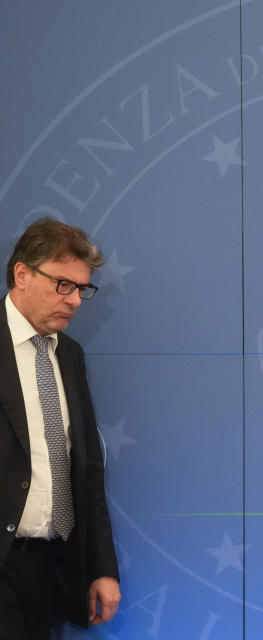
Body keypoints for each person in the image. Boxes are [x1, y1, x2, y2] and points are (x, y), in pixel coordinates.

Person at [1, 218, 121, 638]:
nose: (75, 301)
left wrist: (102, 568)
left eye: (82, 289)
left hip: (51, 565)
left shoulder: (69, 355)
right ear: (22, 274)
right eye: (63, 285)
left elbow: (88, 472)